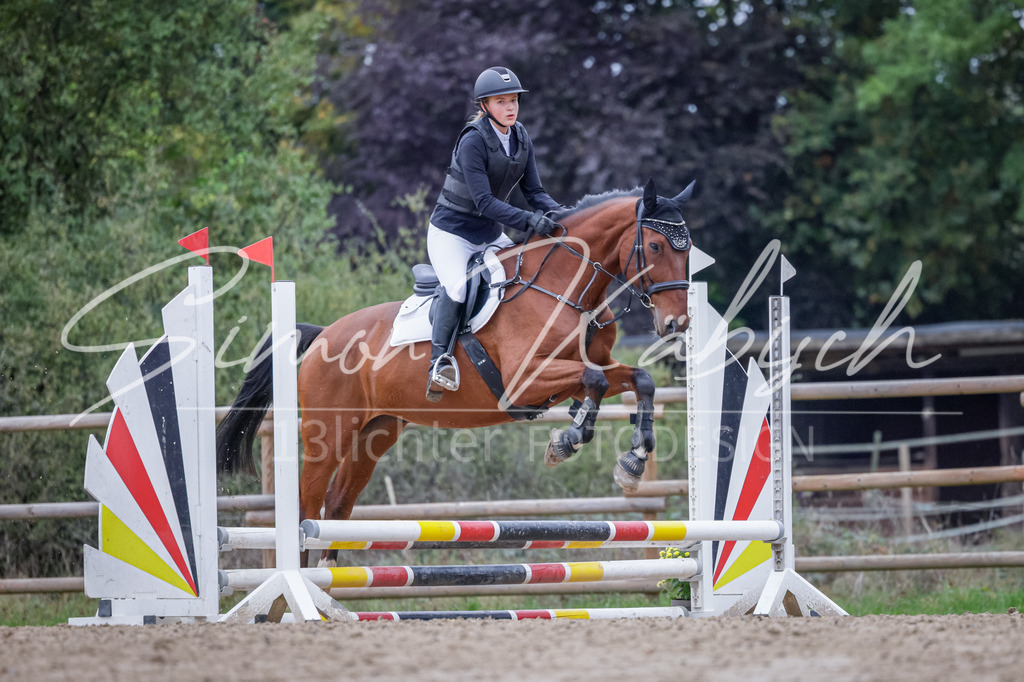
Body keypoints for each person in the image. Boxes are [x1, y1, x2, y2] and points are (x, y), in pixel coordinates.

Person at [425, 66, 562, 400]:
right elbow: (485, 202)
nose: (511, 107)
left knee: (521, 278)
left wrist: (563, 215)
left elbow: (535, 191)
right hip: (452, 235)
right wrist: (530, 221)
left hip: (488, 233)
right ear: (485, 106)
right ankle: (438, 362)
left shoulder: (520, 136)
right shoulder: (473, 140)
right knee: (458, 289)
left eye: (514, 100)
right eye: (502, 102)